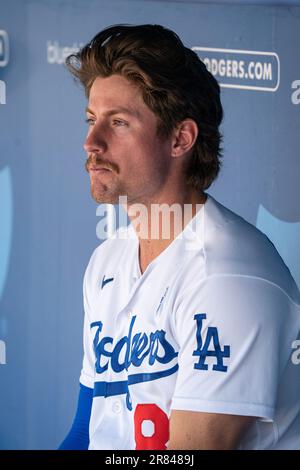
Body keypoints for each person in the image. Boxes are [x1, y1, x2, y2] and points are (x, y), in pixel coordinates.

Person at [59, 24, 300, 450]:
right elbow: (86, 431)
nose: (90, 142)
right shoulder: (107, 261)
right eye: (92, 120)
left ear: (180, 138)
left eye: (118, 123)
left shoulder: (228, 277)